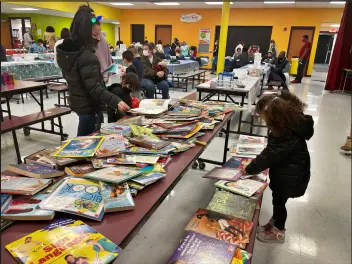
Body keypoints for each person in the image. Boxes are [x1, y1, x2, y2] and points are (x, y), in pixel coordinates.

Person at [241, 91, 314, 244]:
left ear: (273, 115)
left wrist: (250, 169)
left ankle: (278, 232)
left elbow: (270, 155)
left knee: (279, 203)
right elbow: (274, 151)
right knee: (278, 201)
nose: (263, 121)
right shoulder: (291, 123)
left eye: (263, 117)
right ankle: (274, 223)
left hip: (290, 177)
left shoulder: (285, 133)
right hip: (289, 172)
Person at [56, 5, 129, 136]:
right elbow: (95, 87)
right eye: (95, 34)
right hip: (89, 105)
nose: (98, 38)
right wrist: (115, 101)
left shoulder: (68, 51)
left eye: (99, 33)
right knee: (84, 141)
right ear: (84, 33)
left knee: (87, 137)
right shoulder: (87, 56)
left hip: (79, 101)